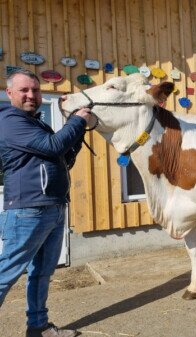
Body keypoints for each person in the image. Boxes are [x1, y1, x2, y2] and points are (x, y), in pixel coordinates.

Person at [0, 69, 91, 337]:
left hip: (53, 205)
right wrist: (77, 121)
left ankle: (38, 326)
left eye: (36, 90)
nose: (31, 95)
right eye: (24, 90)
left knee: (41, 272)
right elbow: (52, 146)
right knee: (7, 272)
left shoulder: (36, 123)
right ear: (9, 94)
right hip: (27, 209)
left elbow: (58, 154)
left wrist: (76, 137)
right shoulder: (8, 120)